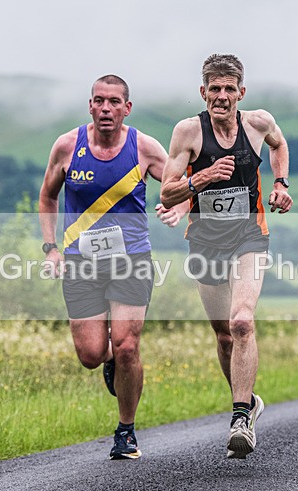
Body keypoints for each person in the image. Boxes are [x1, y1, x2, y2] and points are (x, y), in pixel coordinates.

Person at [38, 74, 186, 460]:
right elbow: (47, 197)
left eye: (114, 102)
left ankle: (126, 432)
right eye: (99, 101)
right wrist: (51, 248)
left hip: (131, 261)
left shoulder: (144, 147)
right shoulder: (68, 146)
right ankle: (110, 363)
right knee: (91, 353)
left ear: (127, 108)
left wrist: (179, 208)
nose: (106, 108)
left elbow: (179, 185)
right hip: (80, 263)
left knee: (127, 345)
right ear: (90, 105)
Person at [160, 54, 292, 459]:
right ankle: (248, 401)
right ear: (203, 92)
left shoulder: (257, 124)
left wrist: (281, 183)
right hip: (205, 241)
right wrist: (199, 179)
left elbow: (280, 144)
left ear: (241, 92)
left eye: (229, 89)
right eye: (214, 89)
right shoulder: (188, 133)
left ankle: (239, 418)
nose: (221, 96)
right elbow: (167, 192)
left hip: (250, 236)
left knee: (241, 322)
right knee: (222, 335)